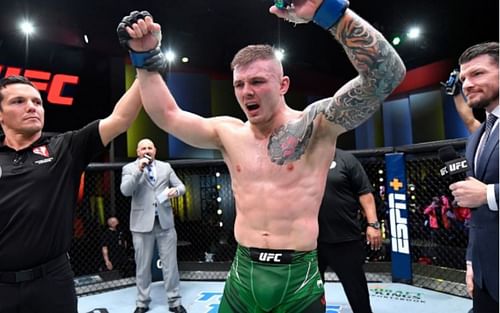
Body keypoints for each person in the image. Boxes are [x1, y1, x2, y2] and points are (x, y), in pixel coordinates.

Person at [117, 1, 406, 311]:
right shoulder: (228, 133)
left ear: (283, 85)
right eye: (239, 85)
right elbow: (167, 116)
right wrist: (145, 57)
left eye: (257, 82)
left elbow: (386, 75)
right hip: (243, 272)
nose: (246, 92)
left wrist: (330, 13)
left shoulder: (317, 125)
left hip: (298, 276)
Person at [0, 75, 142, 313]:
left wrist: (146, 63)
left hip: (52, 283)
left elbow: (120, 119)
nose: (32, 107)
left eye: (37, 102)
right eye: (18, 101)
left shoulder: (63, 148)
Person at [449, 42, 499, 313]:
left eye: (478, 74)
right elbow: (477, 213)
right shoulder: (478, 136)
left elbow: (483, 196)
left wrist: (489, 194)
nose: (467, 83)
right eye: (463, 77)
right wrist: (472, 262)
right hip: (486, 274)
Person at [120, 138, 187, 313]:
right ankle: (142, 302)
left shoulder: (166, 167)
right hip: (141, 226)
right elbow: (125, 191)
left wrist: (176, 191)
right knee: (142, 266)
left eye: (150, 147)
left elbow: (181, 186)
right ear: (138, 152)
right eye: (143, 148)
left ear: (155, 150)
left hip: (165, 223)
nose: (147, 150)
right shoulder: (129, 168)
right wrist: (139, 169)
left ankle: (175, 301)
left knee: (170, 265)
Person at [317, 149, 381, 313]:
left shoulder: (346, 159)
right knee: (312, 292)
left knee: (356, 290)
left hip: (345, 238)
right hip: (311, 240)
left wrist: (373, 224)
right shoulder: (303, 160)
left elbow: (365, 193)